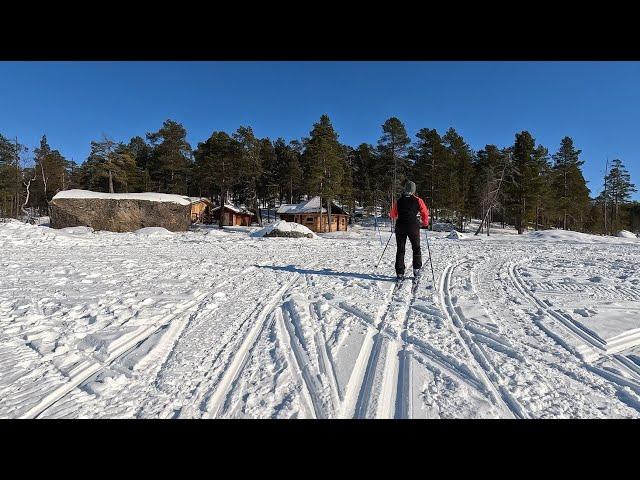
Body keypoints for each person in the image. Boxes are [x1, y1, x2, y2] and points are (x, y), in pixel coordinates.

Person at [389, 181, 430, 280]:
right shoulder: (418, 200)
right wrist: (425, 223)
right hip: (413, 226)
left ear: (405, 189)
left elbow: (392, 215)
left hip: (400, 226)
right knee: (416, 248)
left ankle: (399, 273)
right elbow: (424, 212)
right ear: (413, 190)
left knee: (400, 249)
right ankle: (416, 270)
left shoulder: (398, 201)